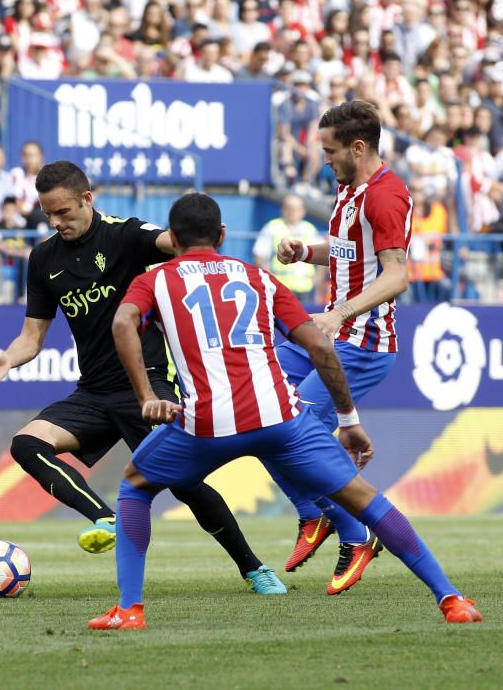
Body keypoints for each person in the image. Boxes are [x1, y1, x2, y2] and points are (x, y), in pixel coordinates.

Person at [89, 192, 481, 630]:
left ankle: (130, 609)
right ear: (221, 235)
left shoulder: (155, 279)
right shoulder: (258, 277)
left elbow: (122, 323)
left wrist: (146, 395)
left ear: (172, 238)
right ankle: (452, 600)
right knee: (365, 500)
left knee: (136, 488)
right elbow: (317, 343)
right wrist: (348, 420)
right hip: (280, 420)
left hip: (205, 425)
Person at [0, 161, 285, 595]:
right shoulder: (44, 258)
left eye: (64, 211)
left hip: (148, 386)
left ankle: (253, 568)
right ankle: (104, 518)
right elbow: (32, 336)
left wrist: (192, 234)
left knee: (185, 484)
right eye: (49, 214)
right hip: (94, 393)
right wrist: (8, 359)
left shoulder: (125, 235)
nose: (56, 222)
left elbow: (171, 241)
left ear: (88, 199)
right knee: (27, 444)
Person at [268, 101, 414, 595]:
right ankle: (315, 514)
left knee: (290, 430)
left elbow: (397, 274)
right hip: (331, 333)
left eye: (330, 151)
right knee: (254, 409)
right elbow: (352, 251)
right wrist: (306, 252)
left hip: (363, 342)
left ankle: (356, 533)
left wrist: (339, 313)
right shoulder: (349, 187)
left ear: (358, 147)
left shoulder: (385, 196)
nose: (323, 159)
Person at [252, 193, 320, 306]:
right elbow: (259, 256)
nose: (293, 212)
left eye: (296, 208)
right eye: (289, 208)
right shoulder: (272, 227)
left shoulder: (310, 229)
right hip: (280, 288)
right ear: (283, 209)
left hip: (306, 289)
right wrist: (270, 279)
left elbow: (321, 260)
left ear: (303, 211)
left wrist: (317, 280)